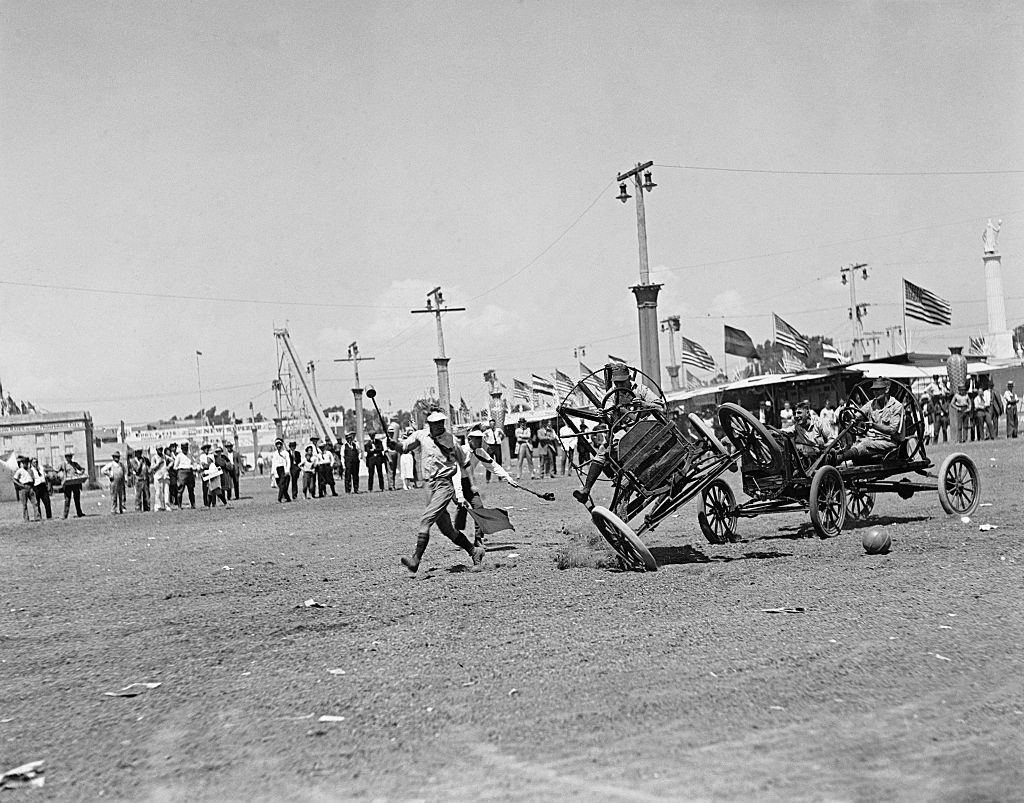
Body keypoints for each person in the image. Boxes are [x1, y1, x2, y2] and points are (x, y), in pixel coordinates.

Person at [391, 411, 484, 573]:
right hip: (428, 486)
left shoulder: (451, 440)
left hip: (444, 485)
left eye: (441, 422)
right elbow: (404, 448)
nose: (439, 425)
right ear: (429, 423)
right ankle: (474, 551)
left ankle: (415, 560)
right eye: (435, 423)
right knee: (447, 530)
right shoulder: (420, 436)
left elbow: (466, 463)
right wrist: (393, 444)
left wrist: (472, 484)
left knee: (425, 521)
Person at [572, 363, 665, 504]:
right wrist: (602, 413)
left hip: (645, 429)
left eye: (623, 381)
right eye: (617, 382)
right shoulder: (612, 394)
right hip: (623, 432)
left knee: (613, 448)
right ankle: (586, 490)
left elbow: (661, 406)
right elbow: (607, 411)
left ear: (629, 378)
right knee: (603, 451)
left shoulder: (641, 389)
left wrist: (645, 405)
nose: (620, 385)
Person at [457, 424, 519, 548]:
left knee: (478, 507)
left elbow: (493, 465)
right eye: (476, 438)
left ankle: (478, 539)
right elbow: (455, 474)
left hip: (468, 484)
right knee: (460, 511)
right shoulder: (462, 451)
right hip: (454, 483)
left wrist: (508, 478)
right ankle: (456, 534)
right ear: (469, 439)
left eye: (481, 438)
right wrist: (459, 495)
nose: (480, 441)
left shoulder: (479, 451)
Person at [834, 378, 905, 464]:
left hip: (888, 442)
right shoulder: (871, 404)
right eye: (873, 390)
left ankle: (839, 459)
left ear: (886, 389)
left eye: (878, 390)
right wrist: (848, 415)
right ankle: (836, 458)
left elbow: (892, 430)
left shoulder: (896, 406)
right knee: (857, 443)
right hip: (871, 440)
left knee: (864, 444)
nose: (875, 393)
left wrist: (873, 425)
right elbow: (856, 417)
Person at [58, 450, 86, 518]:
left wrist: (81, 472)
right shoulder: (63, 465)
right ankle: (65, 515)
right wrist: (61, 476)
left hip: (75, 483)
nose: (69, 458)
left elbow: (82, 469)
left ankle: (79, 513)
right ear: (65, 457)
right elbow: (57, 471)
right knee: (67, 499)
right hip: (68, 484)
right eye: (68, 457)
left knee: (77, 498)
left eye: (70, 457)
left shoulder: (75, 464)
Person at [13, 457, 38, 522]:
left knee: (35, 503)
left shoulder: (30, 470)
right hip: (23, 487)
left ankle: (37, 517)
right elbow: (14, 479)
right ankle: (26, 518)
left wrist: (33, 485)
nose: (25, 464)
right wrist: (20, 485)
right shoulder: (20, 470)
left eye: (26, 463)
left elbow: (33, 478)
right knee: (24, 504)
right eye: (24, 463)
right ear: (22, 464)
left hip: (30, 487)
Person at [173, 443, 196, 509]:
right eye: (184, 448)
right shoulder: (179, 456)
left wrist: (194, 467)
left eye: (186, 448)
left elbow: (193, 463)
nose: (185, 450)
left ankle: (193, 505)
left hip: (190, 472)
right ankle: (179, 506)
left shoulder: (190, 455)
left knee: (191, 489)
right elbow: (175, 467)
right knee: (180, 490)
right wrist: (179, 473)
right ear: (182, 449)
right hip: (182, 472)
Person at [271, 438, 291, 502]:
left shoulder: (285, 453)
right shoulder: (275, 454)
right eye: (277, 444)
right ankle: (288, 498)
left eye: (280, 444)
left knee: (282, 484)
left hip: (283, 469)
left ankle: (279, 499)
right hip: (277, 470)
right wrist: (273, 472)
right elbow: (273, 463)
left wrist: (287, 470)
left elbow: (288, 461)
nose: (279, 446)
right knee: (280, 485)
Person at [152, 446, 170, 511]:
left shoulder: (164, 456)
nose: (160, 450)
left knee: (166, 492)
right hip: (158, 476)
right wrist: (158, 464)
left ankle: (167, 505)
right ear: (156, 450)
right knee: (158, 492)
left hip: (165, 476)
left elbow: (172, 460)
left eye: (161, 449)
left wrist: (168, 466)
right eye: (159, 449)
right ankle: (157, 506)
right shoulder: (154, 457)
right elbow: (152, 467)